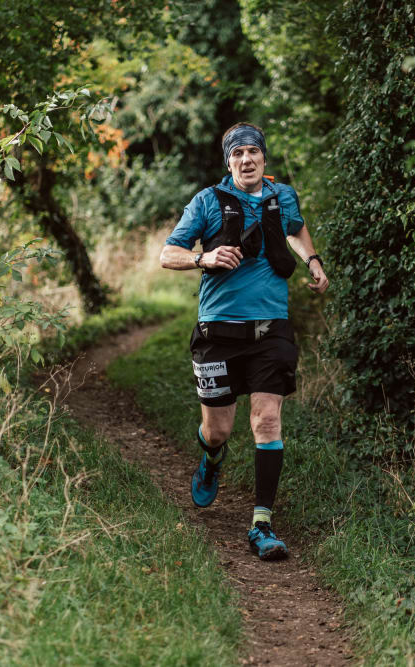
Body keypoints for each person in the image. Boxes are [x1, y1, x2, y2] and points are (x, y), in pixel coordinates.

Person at [159, 122, 329, 560]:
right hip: (218, 332)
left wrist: (311, 259)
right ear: (229, 162)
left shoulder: (282, 196)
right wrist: (204, 256)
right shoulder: (207, 201)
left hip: (271, 329)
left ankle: (262, 524)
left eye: (253, 151)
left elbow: (296, 228)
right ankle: (212, 459)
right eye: (237, 153)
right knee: (218, 430)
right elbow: (167, 254)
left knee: (267, 421)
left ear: (264, 157)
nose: (246, 159)